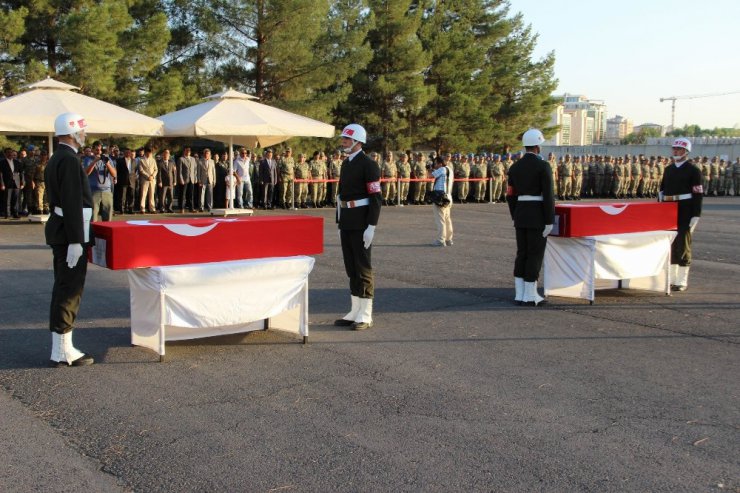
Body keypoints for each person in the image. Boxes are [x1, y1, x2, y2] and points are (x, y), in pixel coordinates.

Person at [45, 112, 95, 366]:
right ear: (72, 131)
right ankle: (63, 349)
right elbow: (72, 201)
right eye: (81, 130)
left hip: (65, 231)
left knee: (64, 287)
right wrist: (77, 239)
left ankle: (60, 348)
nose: (84, 134)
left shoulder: (61, 157)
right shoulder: (69, 160)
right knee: (69, 289)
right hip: (69, 234)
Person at [333, 124, 381, 331]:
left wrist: (371, 225)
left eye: (346, 139)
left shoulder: (368, 164)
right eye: (343, 138)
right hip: (347, 220)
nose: (343, 141)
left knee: (363, 267)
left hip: (362, 221)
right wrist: (339, 221)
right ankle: (355, 310)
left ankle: (366, 314)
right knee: (351, 267)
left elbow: (375, 197)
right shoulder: (346, 163)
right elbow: (340, 196)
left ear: (357, 142)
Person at [506, 128, 555, 307]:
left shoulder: (515, 167)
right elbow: (549, 195)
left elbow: (510, 194)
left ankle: (520, 294)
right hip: (536, 216)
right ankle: (531, 295)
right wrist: (549, 219)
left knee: (522, 253)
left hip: (520, 214)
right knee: (535, 254)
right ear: (537, 147)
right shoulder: (543, 166)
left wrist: (515, 214)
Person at [659, 138, 702, 292]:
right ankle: (671, 278)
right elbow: (662, 190)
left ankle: (681, 280)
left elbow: (697, 193)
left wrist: (696, 214)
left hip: (685, 210)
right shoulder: (668, 169)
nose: (676, 151)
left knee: (683, 245)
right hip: (669, 209)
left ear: (686, 152)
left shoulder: (693, 170)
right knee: (671, 243)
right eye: (674, 148)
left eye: (679, 149)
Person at [84, 141, 117, 221]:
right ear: (92, 150)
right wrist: (94, 161)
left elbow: (114, 174)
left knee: (107, 218)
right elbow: (86, 173)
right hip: (94, 191)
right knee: (93, 217)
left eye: (100, 150)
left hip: (107, 191)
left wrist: (107, 164)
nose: (99, 152)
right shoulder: (88, 159)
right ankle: (93, 233)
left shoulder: (107, 159)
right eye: (97, 150)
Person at [430, 156, 454, 246]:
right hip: (448, 196)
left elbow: (430, 175)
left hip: (441, 197)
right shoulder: (450, 169)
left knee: (440, 219)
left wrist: (430, 169)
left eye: (435, 163)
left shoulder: (442, 169)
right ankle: (449, 239)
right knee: (447, 219)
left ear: (440, 163)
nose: (435, 165)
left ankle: (441, 239)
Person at [157, 149, 177, 213]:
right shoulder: (160, 163)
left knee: (170, 196)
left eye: (168, 153)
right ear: (163, 154)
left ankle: (169, 208)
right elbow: (159, 173)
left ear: (169, 155)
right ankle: (162, 208)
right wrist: (159, 181)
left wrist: (174, 181)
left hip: (170, 182)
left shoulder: (172, 162)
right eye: (165, 153)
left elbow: (174, 173)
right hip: (163, 182)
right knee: (162, 196)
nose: (166, 155)